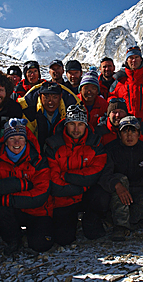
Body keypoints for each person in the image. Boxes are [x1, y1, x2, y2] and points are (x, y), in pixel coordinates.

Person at [0, 119, 53, 254]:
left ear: (26, 141)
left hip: (37, 211)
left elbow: (40, 194)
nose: (16, 143)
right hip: (12, 211)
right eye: (12, 138)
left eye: (21, 138)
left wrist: (7, 198)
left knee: (41, 244)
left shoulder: (37, 160)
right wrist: (23, 184)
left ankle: (31, 234)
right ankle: (13, 238)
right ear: (5, 141)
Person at [45, 105, 107, 245]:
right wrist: (82, 186)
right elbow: (54, 181)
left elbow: (94, 174)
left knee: (101, 194)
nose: (76, 129)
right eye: (72, 124)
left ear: (86, 125)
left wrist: (66, 176)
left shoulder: (95, 144)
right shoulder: (53, 145)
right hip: (63, 198)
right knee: (64, 239)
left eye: (80, 124)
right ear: (66, 125)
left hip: (86, 195)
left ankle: (92, 219)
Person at [18, 81, 80, 149]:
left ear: (60, 97)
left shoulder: (70, 111)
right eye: (46, 97)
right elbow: (27, 136)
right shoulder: (29, 111)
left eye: (55, 97)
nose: (50, 102)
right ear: (40, 97)